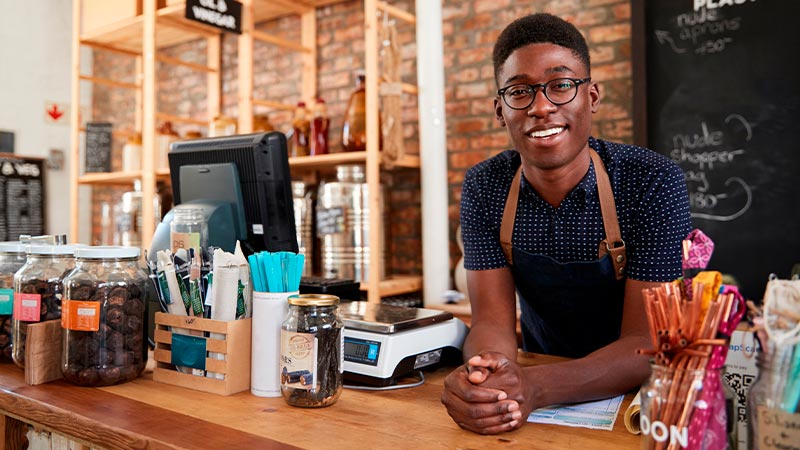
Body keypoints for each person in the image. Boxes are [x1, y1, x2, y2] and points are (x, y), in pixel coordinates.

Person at [441, 13, 692, 435]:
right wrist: (487, 377)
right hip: (536, 398)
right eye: (520, 91)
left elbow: (646, 343)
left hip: (639, 404)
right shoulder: (485, 186)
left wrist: (534, 386)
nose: (541, 107)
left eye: (561, 85)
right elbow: (491, 323)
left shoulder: (652, 181)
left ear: (591, 96)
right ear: (500, 110)